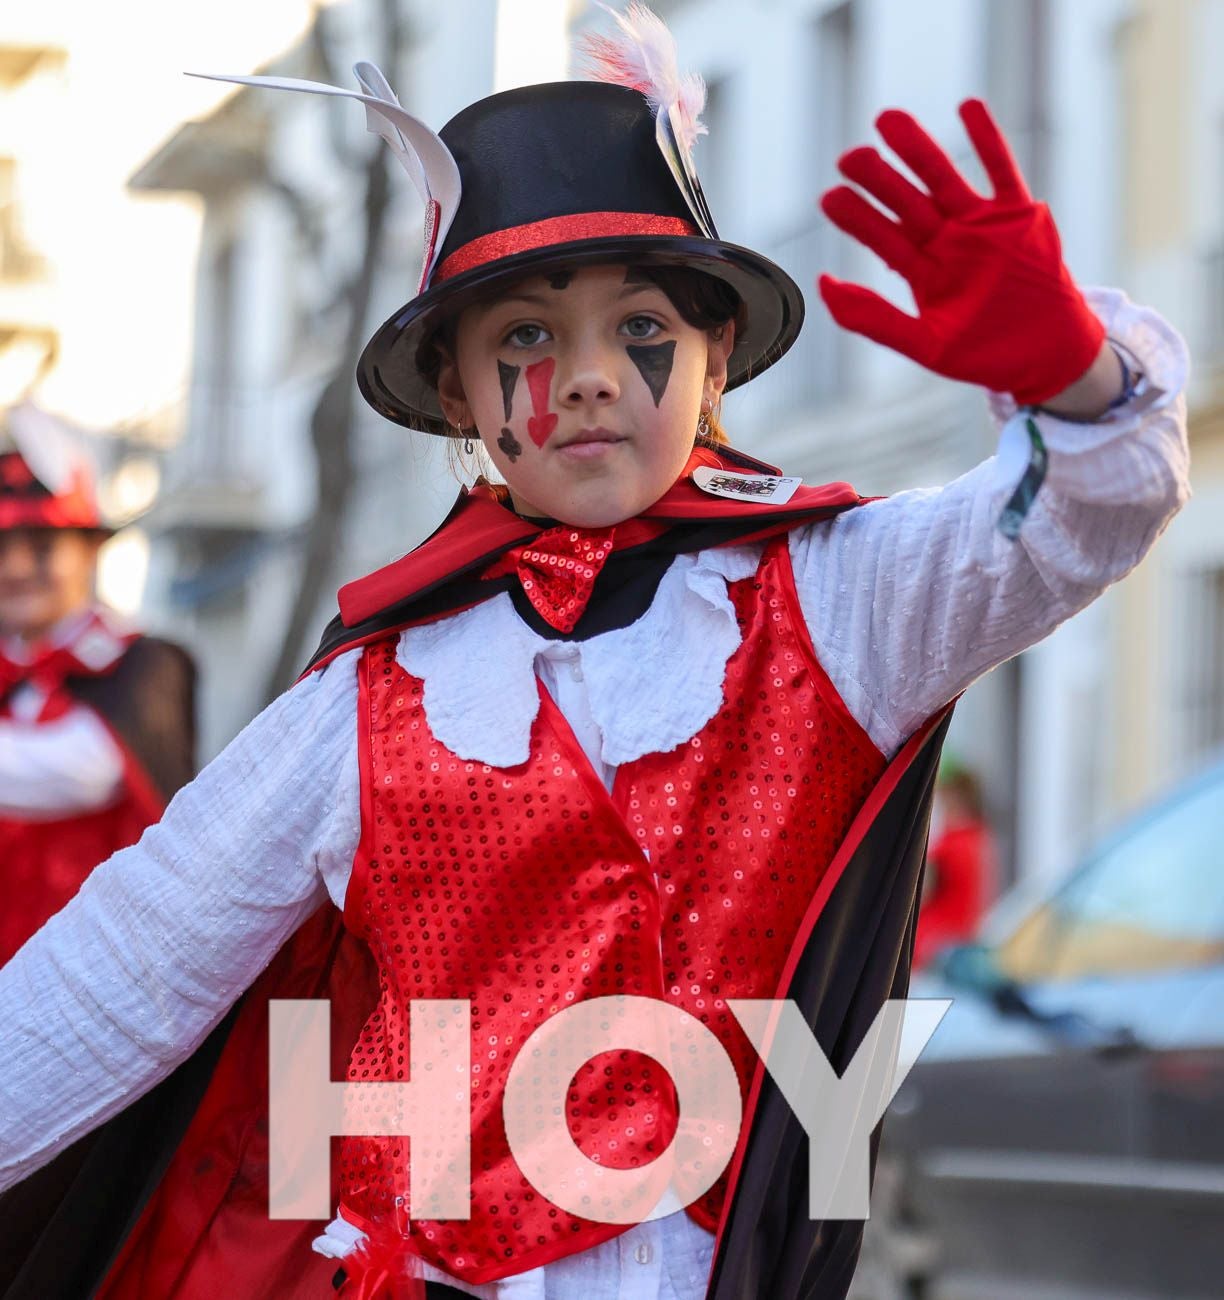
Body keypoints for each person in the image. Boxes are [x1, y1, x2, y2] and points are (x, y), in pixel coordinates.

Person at [0, 7, 1190, 1299]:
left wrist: (1075, 380)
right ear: (454, 394)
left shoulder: (842, 602)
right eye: (523, 337)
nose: (585, 377)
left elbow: (1086, 518)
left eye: (641, 330)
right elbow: (119, 978)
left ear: (716, 355)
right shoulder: (362, 698)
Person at [0, 404, 197, 967]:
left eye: (40, 548)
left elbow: (84, 771)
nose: (14, 569)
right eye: (1, 549)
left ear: (89, 552)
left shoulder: (144, 663)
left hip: (100, 980)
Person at [913, 760, 999, 970]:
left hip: (931, 951)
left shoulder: (949, 846)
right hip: (962, 943)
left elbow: (919, 893)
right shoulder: (980, 839)